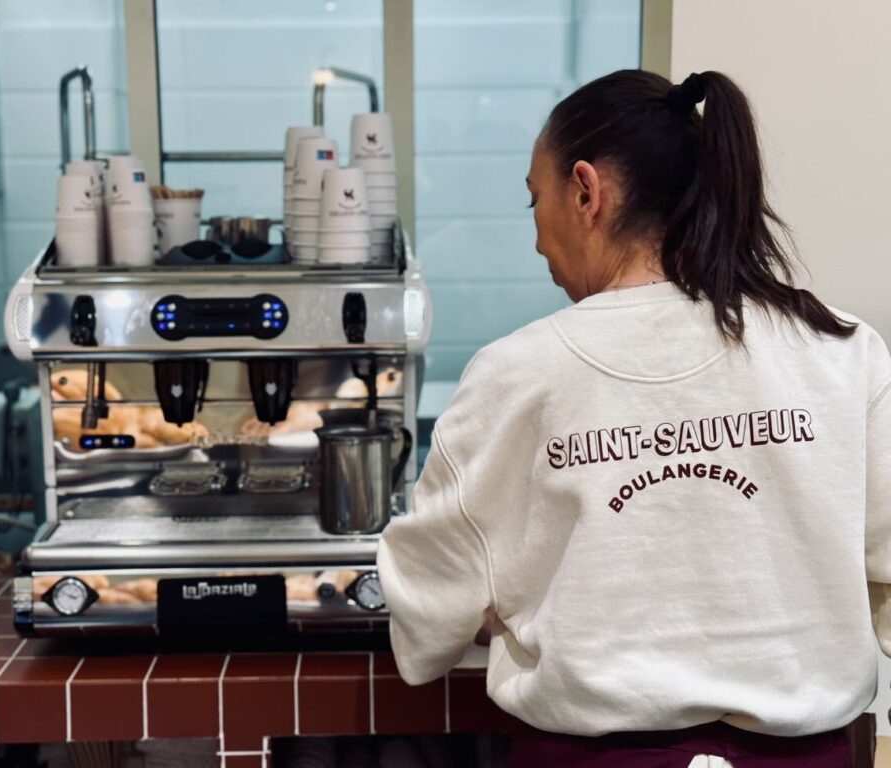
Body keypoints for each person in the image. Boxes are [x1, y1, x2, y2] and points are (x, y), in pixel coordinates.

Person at [376, 70, 891, 767]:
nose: (535, 241)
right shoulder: (841, 350)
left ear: (586, 192)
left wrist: (509, 595)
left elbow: (425, 618)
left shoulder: (516, 375)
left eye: (536, 200)